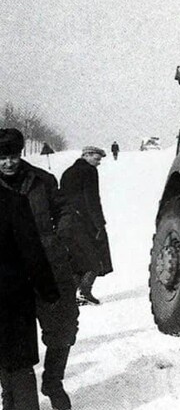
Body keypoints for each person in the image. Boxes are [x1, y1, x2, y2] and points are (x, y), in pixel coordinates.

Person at [0, 129, 78, 410]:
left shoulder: (41, 180)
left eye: (13, 157)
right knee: (10, 338)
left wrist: (59, 238)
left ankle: (53, 381)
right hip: (9, 274)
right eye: (2, 158)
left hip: (48, 265)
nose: (8, 163)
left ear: (21, 155)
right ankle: (10, 393)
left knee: (63, 327)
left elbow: (65, 209)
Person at [0, 184, 60, 410]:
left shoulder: (14, 201)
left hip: (14, 296)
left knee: (18, 362)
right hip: (11, 296)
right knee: (7, 362)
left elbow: (32, 249)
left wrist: (48, 290)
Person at [60, 146, 112, 306]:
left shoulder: (68, 172)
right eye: (97, 159)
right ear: (87, 156)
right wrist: (99, 224)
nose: (99, 163)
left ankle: (71, 295)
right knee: (96, 259)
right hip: (83, 222)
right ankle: (85, 292)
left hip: (66, 222)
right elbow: (92, 199)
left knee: (76, 259)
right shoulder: (89, 171)